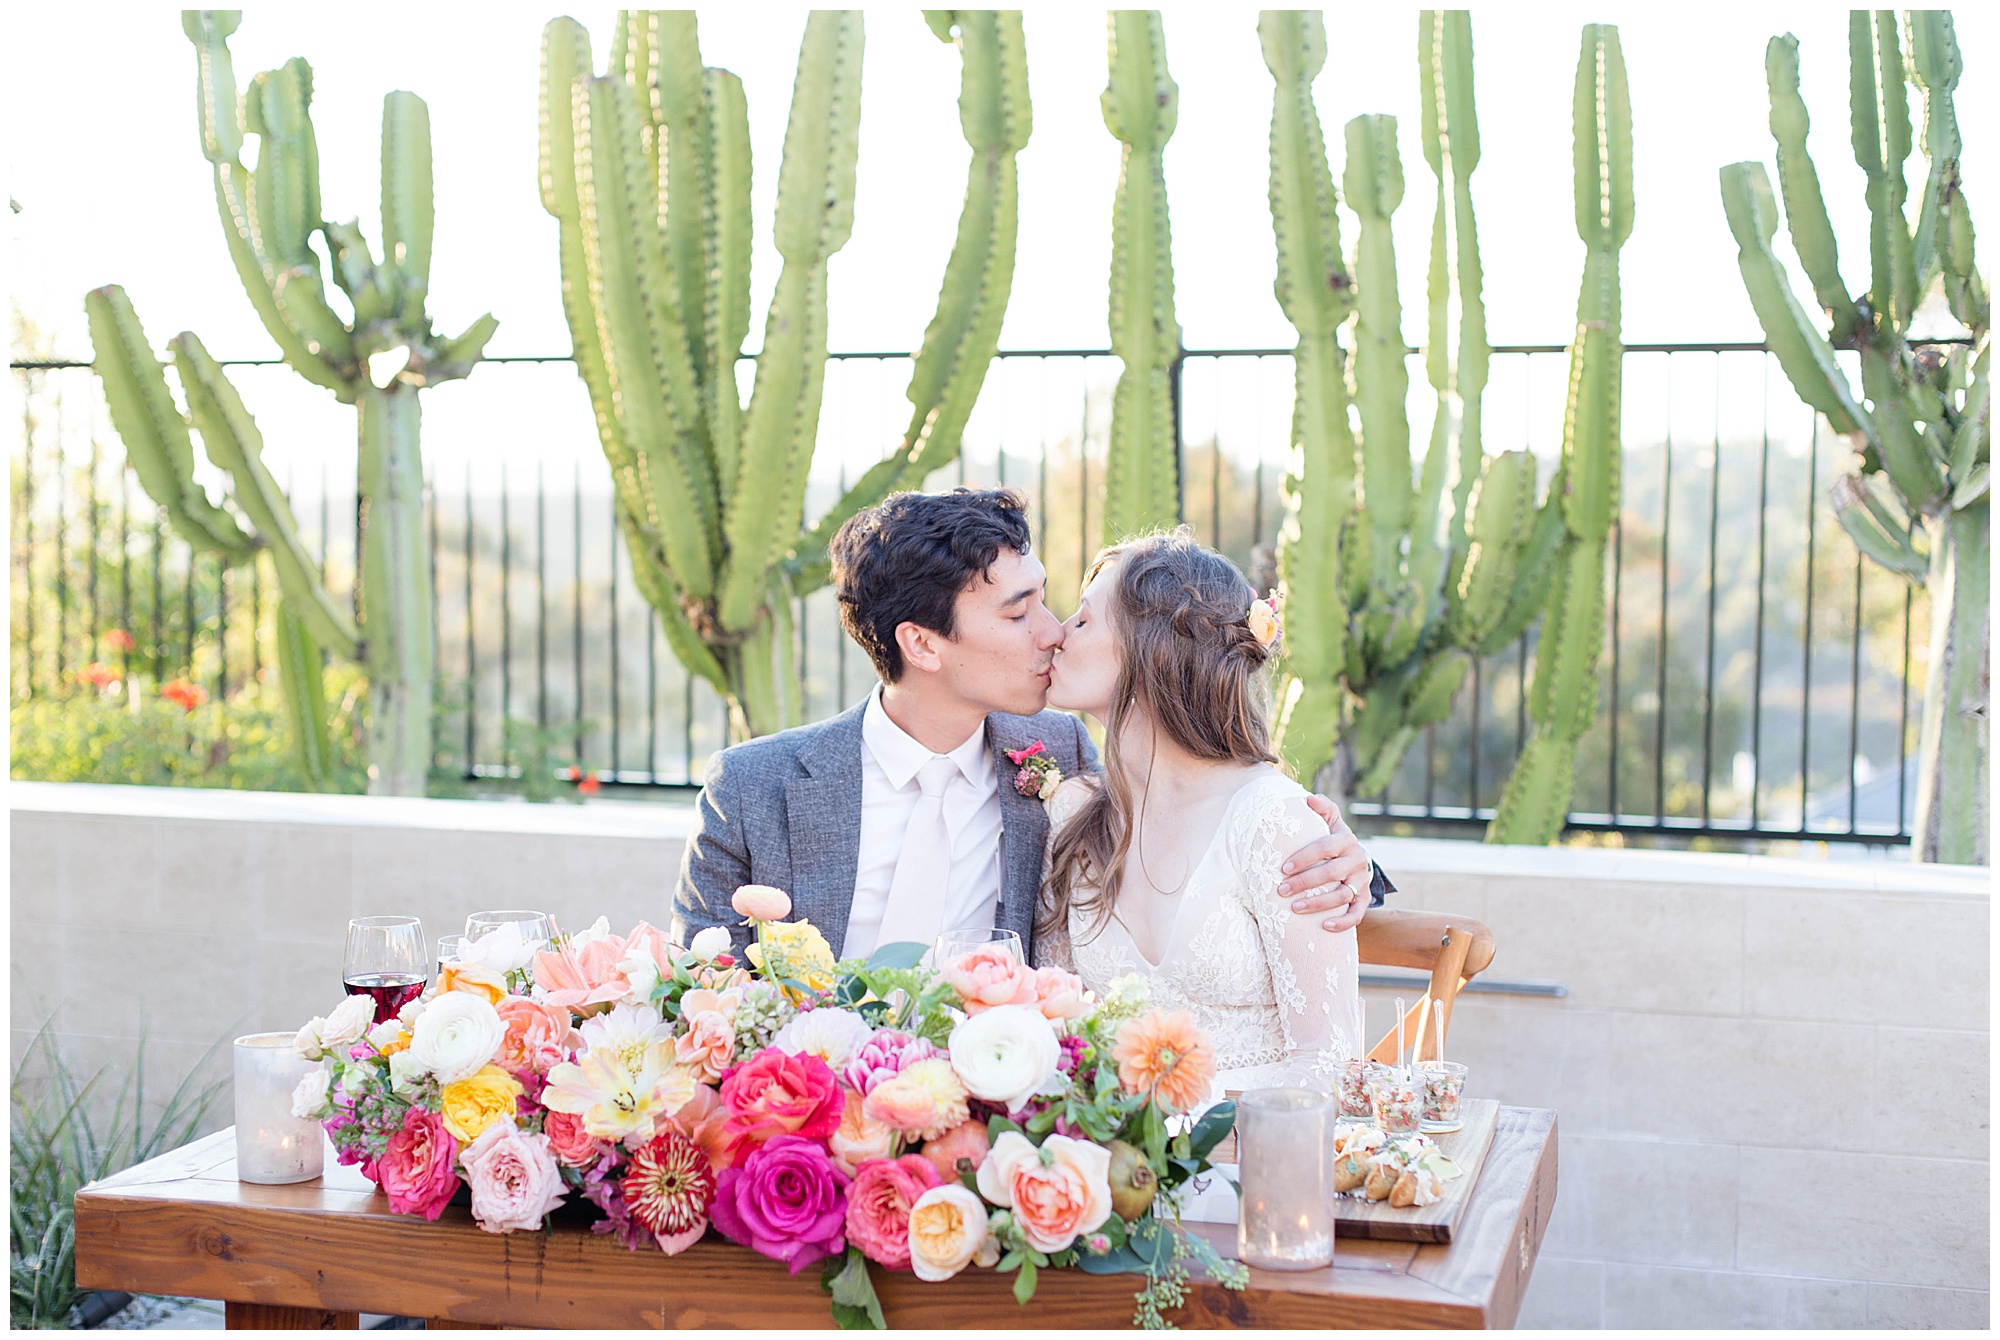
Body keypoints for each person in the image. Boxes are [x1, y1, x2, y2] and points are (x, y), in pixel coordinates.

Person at [672, 488, 1387, 965]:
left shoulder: (1059, 756)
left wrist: (1349, 866)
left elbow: (1209, 819)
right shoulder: (754, 790)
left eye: (1046, 601)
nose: (1052, 633)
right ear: (922, 645)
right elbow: (706, 1000)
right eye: (1017, 615)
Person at [1038, 531, 1366, 1089]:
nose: (1056, 634)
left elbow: (1329, 1064)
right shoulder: (1072, 813)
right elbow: (1058, 1032)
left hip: (1257, 1152)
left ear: (1150, 649)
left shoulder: (1272, 822)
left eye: (1084, 620)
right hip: (1119, 1160)